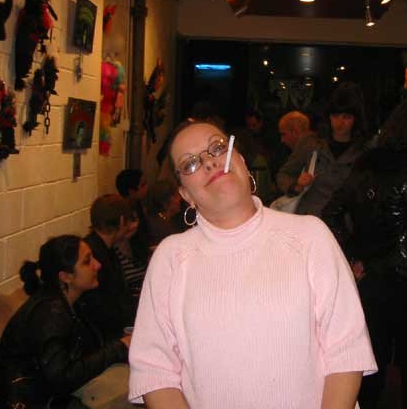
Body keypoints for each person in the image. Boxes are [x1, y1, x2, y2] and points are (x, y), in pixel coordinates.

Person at [128, 119, 377, 408]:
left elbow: (346, 351)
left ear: (242, 161)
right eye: (190, 163)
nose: (209, 162)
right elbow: (155, 371)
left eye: (217, 148)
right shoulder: (170, 258)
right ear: (185, 195)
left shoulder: (309, 236)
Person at [323, 98, 407, 409]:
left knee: (370, 374)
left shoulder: (367, 164)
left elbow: (331, 213)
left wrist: (355, 255)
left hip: (372, 285)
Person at [0, 235, 130, 408]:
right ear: (66, 277)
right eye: (87, 261)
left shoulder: (72, 301)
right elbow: (62, 378)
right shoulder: (50, 313)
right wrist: (118, 348)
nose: (97, 265)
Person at [283, 83, 367, 217]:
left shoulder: (364, 151)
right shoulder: (310, 143)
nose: (340, 122)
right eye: (335, 115)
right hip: (309, 219)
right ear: (328, 116)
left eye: (346, 117)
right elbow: (284, 174)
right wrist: (296, 186)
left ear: (356, 119)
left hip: (344, 222)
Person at [78, 195, 139, 341]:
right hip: (105, 337)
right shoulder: (96, 255)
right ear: (122, 221)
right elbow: (107, 308)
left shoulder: (101, 247)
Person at [145, 178, 185, 247]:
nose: (180, 198)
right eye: (176, 196)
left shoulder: (168, 219)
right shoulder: (158, 226)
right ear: (166, 202)